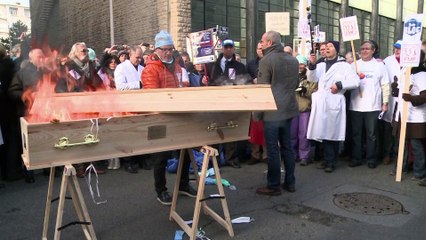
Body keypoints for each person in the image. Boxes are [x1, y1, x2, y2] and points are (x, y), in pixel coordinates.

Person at [142, 30, 196, 205]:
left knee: (186, 151)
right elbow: (151, 96)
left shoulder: (178, 65)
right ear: (157, 49)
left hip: (179, 114)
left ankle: (183, 184)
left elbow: (184, 84)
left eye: (170, 49)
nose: (168, 52)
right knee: (161, 157)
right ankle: (161, 190)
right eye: (165, 49)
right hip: (161, 116)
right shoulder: (151, 69)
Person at [255, 31, 299, 196]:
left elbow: (262, 90)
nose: (261, 43)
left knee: (273, 149)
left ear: (268, 42)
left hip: (273, 111)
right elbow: (294, 84)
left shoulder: (267, 60)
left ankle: (273, 186)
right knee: (287, 147)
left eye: (262, 41)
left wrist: (257, 114)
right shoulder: (292, 59)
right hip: (288, 108)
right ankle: (290, 182)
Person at [306, 41, 359, 173]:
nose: (327, 49)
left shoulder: (344, 66)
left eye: (330, 47)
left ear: (336, 49)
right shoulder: (321, 64)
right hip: (322, 102)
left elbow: (355, 81)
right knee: (322, 131)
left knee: (332, 132)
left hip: (334, 101)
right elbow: (312, 79)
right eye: (326, 47)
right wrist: (312, 65)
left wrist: (340, 85)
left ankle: (331, 161)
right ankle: (326, 159)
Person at [204, 38, 249, 168]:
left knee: (230, 128)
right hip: (215, 101)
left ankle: (231, 158)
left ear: (234, 49)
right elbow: (209, 81)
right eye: (226, 47)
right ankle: (214, 160)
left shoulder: (239, 66)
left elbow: (245, 81)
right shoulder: (212, 65)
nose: (229, 49)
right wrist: (204, 80)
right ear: (222, 48)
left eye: (231, 47)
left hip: (231, 101)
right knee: (214, 128)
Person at [8, 48, 47, 183]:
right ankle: (28, 171)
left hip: (46, 110)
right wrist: (28, 96)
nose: (42, 58)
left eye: (43, 56)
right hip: (27, 111)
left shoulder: (47, 71)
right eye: (39, 56)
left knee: (45, 139)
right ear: (31, 58)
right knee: (27, 143)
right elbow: (13, 91)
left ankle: (49, 168)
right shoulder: (22, 73)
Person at [348, 40, 389, 169]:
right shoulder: (354, 65)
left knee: (371, 135)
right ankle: (356, 158)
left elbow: (385, 85)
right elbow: (346, 82)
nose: (364, 51)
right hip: (356, 105)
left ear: (373, 50)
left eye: (367, 49)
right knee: (356, 134)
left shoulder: (379, 65)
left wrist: (385, 102)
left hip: (372, 105)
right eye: (362, 49)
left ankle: (371, 158)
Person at [392, 51, 426, 183]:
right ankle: (401, 167)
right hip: (402, 114)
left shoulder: (422, 74)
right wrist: (395, 88)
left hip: (415, 116)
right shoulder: (405, 71)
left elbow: (424, 95)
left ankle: (420, 171)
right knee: (401, 144)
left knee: (415, 145)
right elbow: (400, 92)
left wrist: (412, 98)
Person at [291, 55, 318, 166]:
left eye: (301, 64)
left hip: (304, 108)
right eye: (297, 63)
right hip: (292, 109)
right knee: (291, 134)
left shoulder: (310, 76)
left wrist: (305, 91)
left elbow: (314, 90)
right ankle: (292, 155)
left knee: (303, 134)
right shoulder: (291, 76)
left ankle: (304, 156)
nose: (299, 66)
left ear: (306, 64)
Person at [381, 41, 402, 165]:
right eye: (395, 48)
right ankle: (387, 154)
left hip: (403, 99)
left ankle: (398, 154)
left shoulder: (410, 63)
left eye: (400, 49)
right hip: (390, 98)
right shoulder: (387, 60)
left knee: (399, 129)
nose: (397, 51)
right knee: (388, 129)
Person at [246, 41, 267, 165]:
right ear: (256, 50)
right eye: (259, 48)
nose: (261, 50)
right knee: (254, 128)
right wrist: (252, 80)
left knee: (266, 127)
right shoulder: (250, 64)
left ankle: (266, 155)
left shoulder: (270, 62)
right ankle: (254, 154)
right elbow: (245, 77)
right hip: (254, 98)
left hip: (267, 98)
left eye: (263, 48)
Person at [0, 44, 17, 183]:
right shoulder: (9, 65)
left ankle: (5, 172)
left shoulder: (7, 65)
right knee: (10, 140)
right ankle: (10, 172)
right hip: (9, 107)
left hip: (5, 107)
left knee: (4, 141)